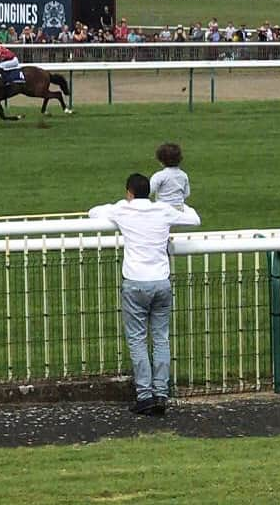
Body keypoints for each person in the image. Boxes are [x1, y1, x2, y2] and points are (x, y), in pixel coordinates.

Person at [89, 173, 201, 415]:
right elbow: (194, 219)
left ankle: (145, 395)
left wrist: (118, 206)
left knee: (138, 340)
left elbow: (94, 212)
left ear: (129, 192)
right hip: (161, 282)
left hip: (136, 284)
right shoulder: (162, 210)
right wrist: (181, 204)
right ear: (148, 191)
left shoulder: (122, 210)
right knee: (161, 338)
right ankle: (161, 393)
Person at [150, 143, 190, 210]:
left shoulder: (159, 176)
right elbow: (187, 193)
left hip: (163, 209)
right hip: (179, 208)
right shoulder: (183, 175)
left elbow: (149, 191)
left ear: (161, 161)